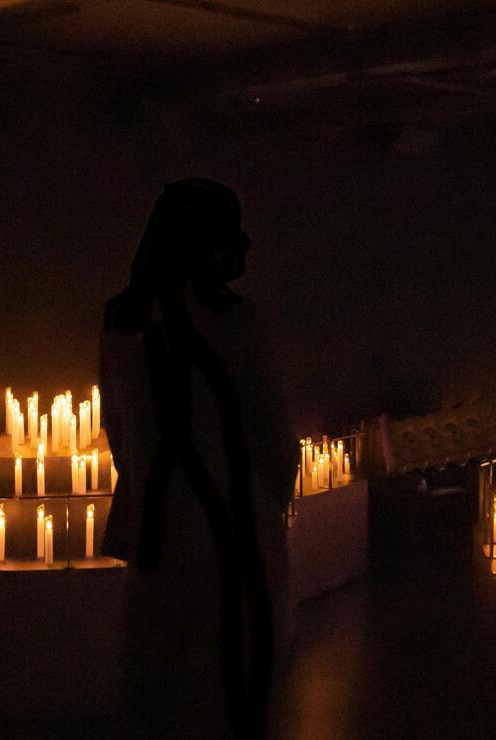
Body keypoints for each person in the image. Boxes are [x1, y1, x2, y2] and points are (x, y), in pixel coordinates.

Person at [100, 178, 298, 739]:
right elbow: (273, 435)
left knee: (160, 688)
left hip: (160, 532)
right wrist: (268, 502)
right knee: (227, 688)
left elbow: (117, 426)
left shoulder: (123, 322)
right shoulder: (240, 323)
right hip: (235, 531)